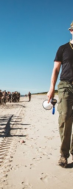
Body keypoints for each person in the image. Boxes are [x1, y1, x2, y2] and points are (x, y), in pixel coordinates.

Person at [47, 21, 73, 167]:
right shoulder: (63, 48)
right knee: (65, 118)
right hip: (65, 86)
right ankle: (64, 154)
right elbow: (56, 69)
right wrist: (51, 88)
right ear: (71, 30)